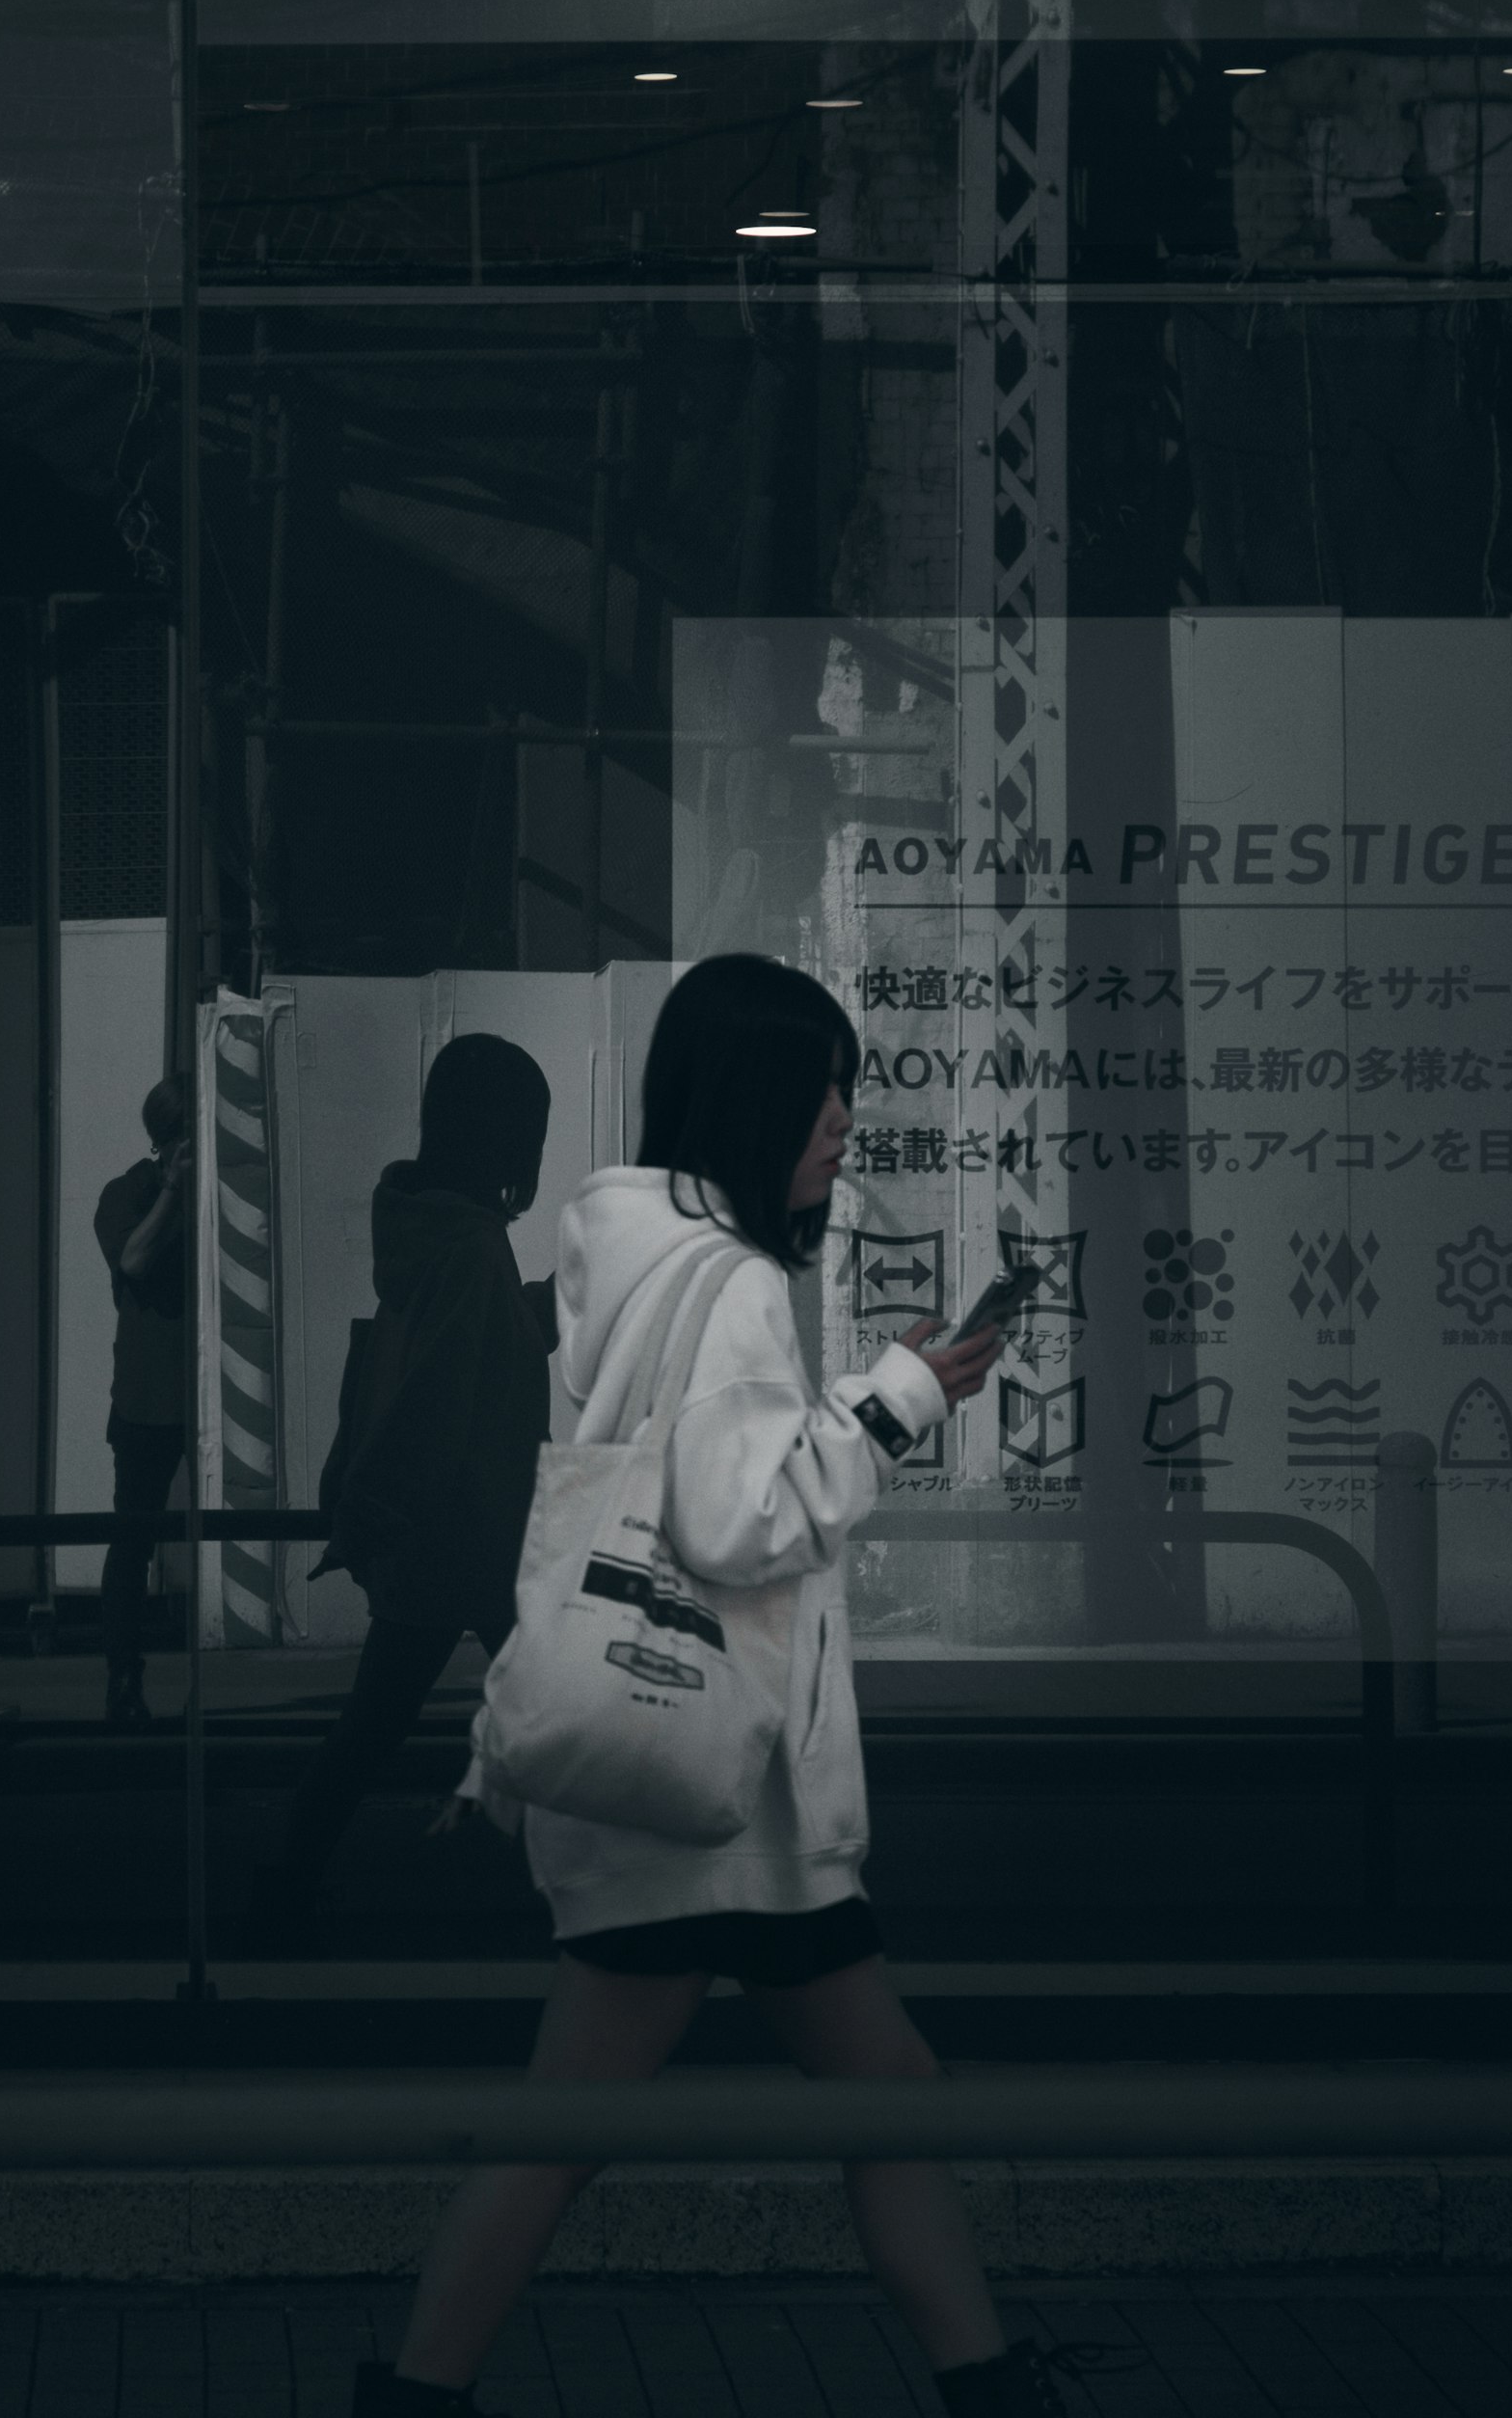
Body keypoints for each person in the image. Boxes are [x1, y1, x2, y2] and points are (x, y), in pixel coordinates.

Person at [361, 954, 1071, 2418]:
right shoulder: (738, 1284)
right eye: (819, 1089)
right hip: (719, 1811)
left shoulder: (626, 1247)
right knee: (596, 2131)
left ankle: (992, 2385)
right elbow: (738, 1518)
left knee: (867, 2106)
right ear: (751, 1095)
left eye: (846, 1089)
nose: (839, 1120)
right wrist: (905, 1396)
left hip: (685, 1789)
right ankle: (412, 2398)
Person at [255, 1032, 556, 1947]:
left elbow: (440, 1358)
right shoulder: (468, 1251)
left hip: (447, 1540)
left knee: (374, 1732)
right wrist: (384, 1511)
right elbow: (442, 1395)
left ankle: (281, 1896)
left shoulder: (429, 1233)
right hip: (476, 1535)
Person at [92, 1073, 194, 1725]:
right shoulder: (125, 1193)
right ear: (168, 1140)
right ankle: (122, 1681)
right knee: (134, 1544)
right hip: (147, 1400)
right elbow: (132, 1261)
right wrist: (174, 1192)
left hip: (209, 1399)